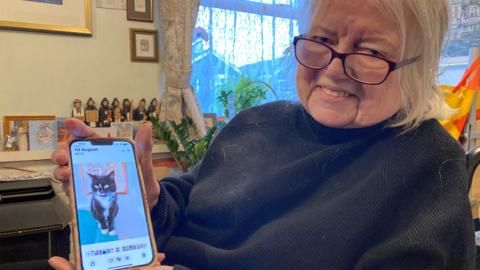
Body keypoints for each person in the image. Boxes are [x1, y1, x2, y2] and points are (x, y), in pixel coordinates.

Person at [50, 0, 475, 269]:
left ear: (418, 67)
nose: (331, 67)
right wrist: (151, 200)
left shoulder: (428, 164)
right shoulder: (255, 123)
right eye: (322, 39)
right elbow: (182, 205)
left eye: (370, 53)